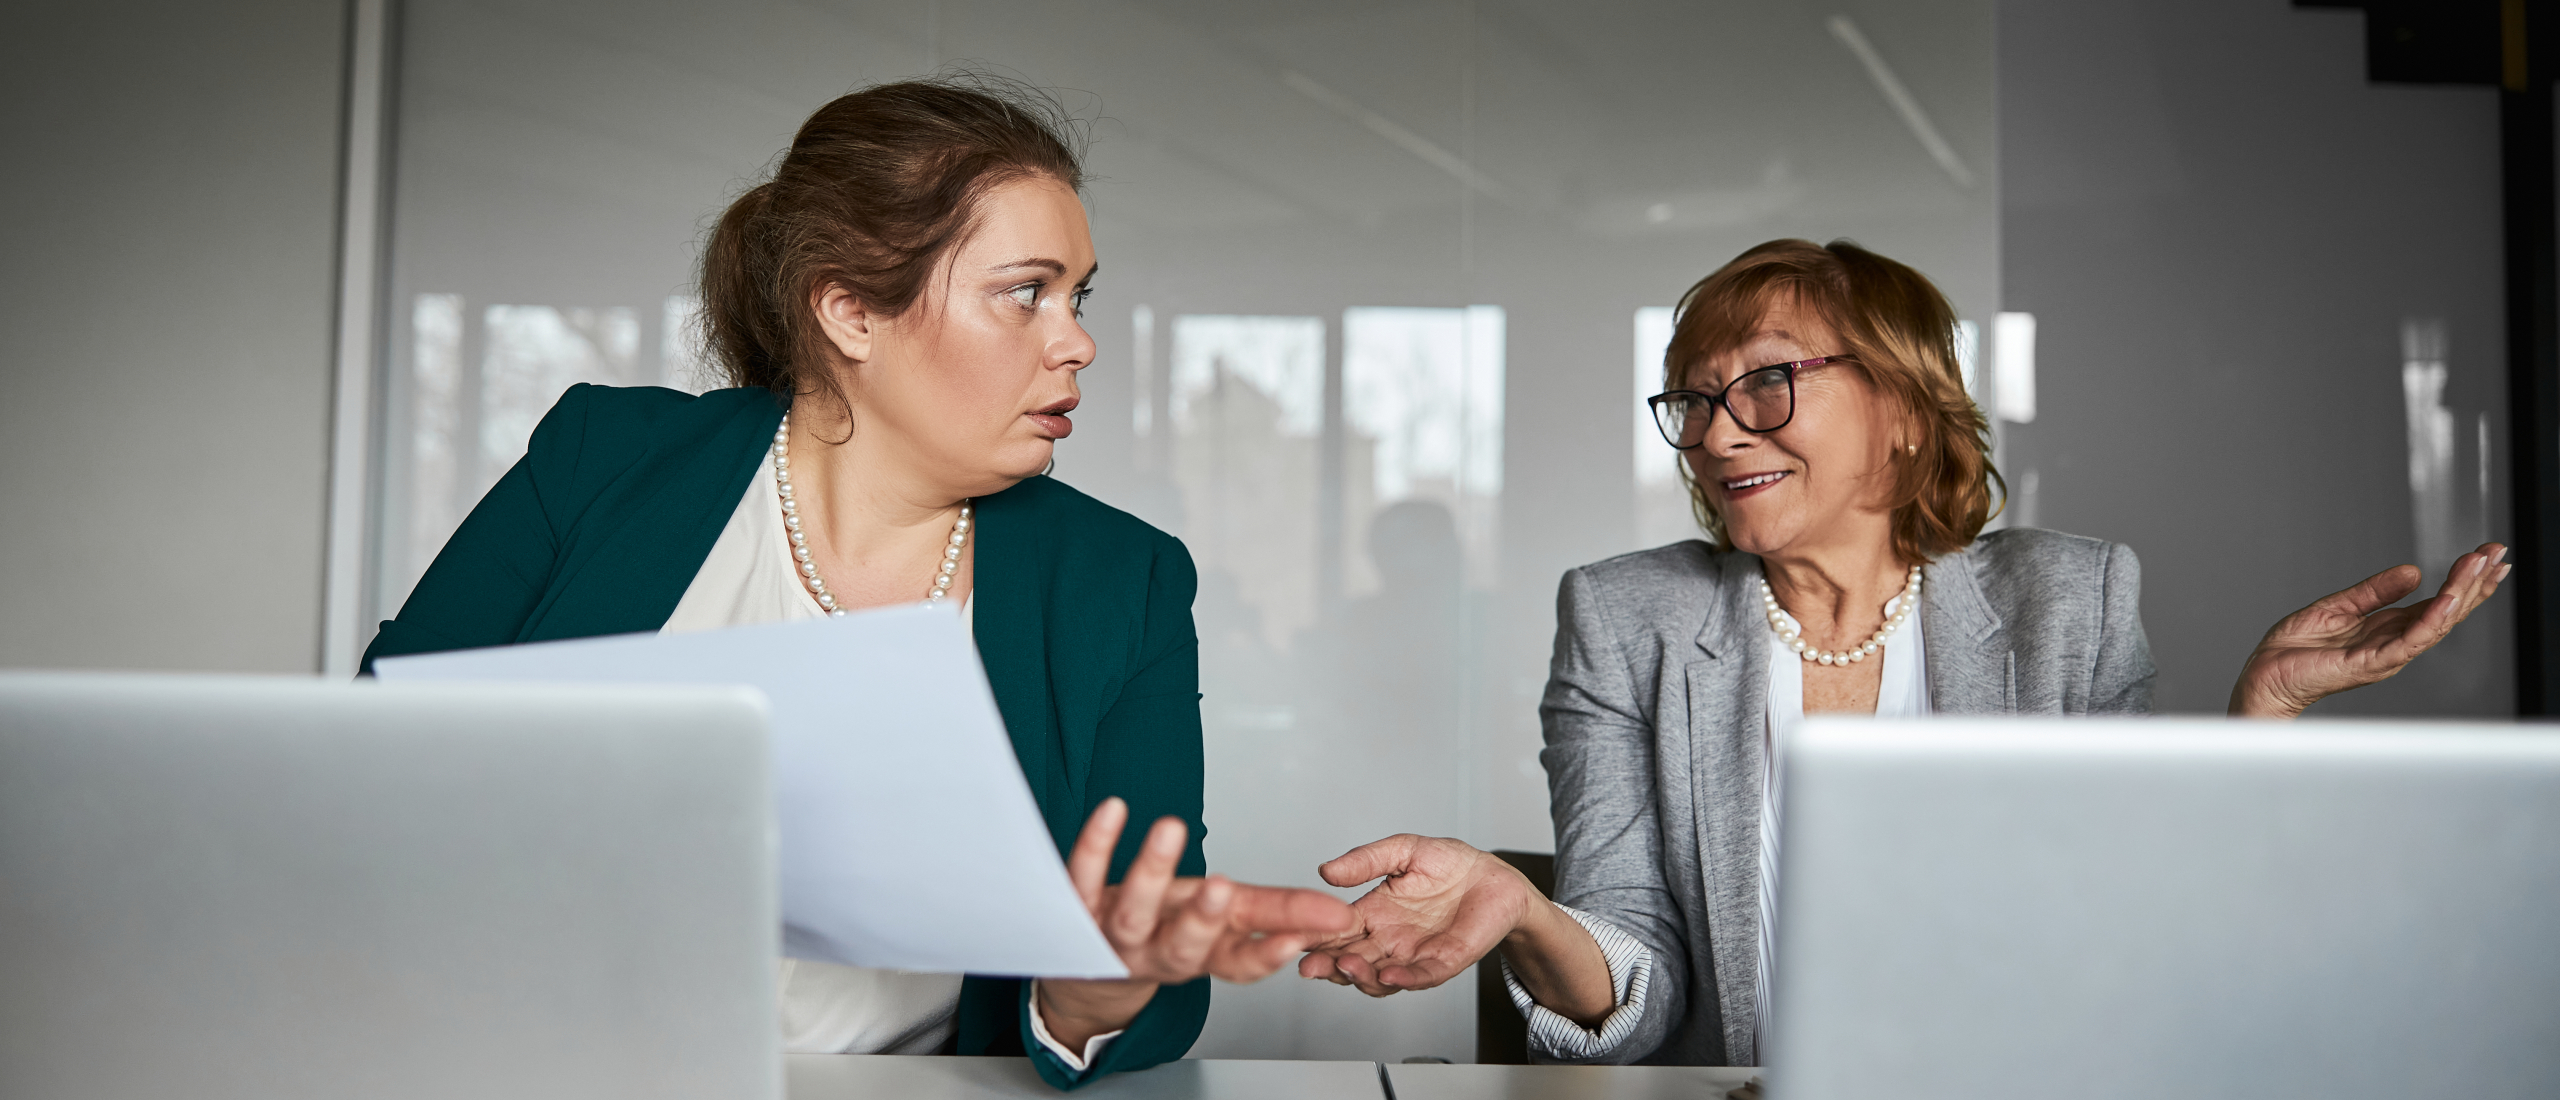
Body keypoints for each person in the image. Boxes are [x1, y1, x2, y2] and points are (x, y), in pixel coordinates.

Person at [1295, 239, 2509, 1067]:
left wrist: (2262, 714)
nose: (1719, 434)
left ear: (1904, 405)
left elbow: (2144, 922)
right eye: (1694, 399)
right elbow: (1640, 972)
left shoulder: (2068, 598)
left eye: (1765, 383)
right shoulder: (1628, 616)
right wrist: (1524, 911)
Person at [360, 78, 1351, 1090]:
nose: (1076, 339)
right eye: (1025, 291)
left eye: (1076, 295)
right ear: (849, 311)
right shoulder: (602, 458)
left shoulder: (1123, 580)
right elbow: (367, 777)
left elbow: (1147, 940)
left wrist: (1090, 998)